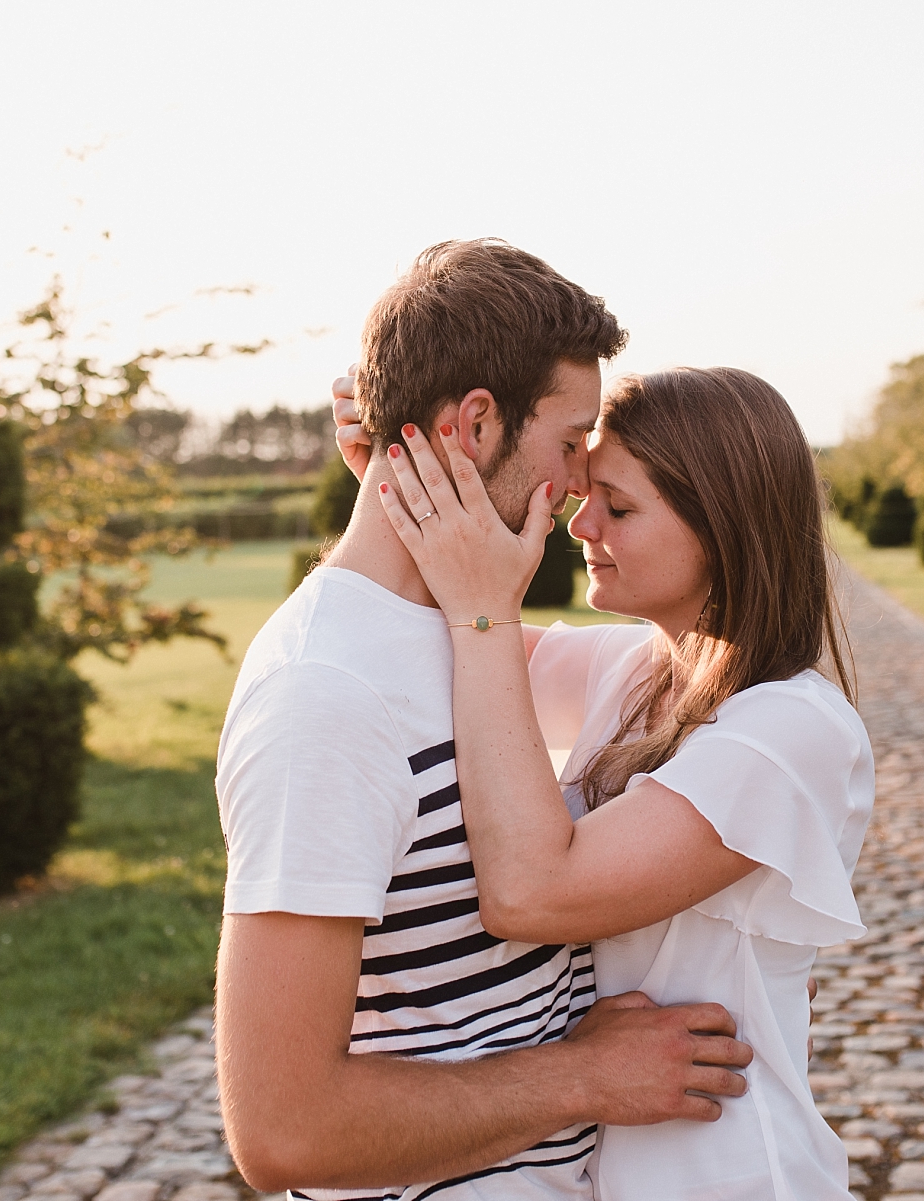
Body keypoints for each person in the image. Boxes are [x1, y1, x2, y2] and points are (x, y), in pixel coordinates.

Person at [214, 241, 754, 1201]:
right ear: (474, 423)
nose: (582, 483)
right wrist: (585, 1076)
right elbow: (285, 1131)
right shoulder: (324, 696)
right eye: (569, 441)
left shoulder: (465, 628)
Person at [359, 366, 875, 1200]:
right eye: (588, 493)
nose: (580, 521)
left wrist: (487, 601)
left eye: (619, 508)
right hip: (603, 1160)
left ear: (724, 525)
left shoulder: (792, 730)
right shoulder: (639, 670)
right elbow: (434, 647)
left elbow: (532, 890)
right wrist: (399, 462)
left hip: (725, 1167)